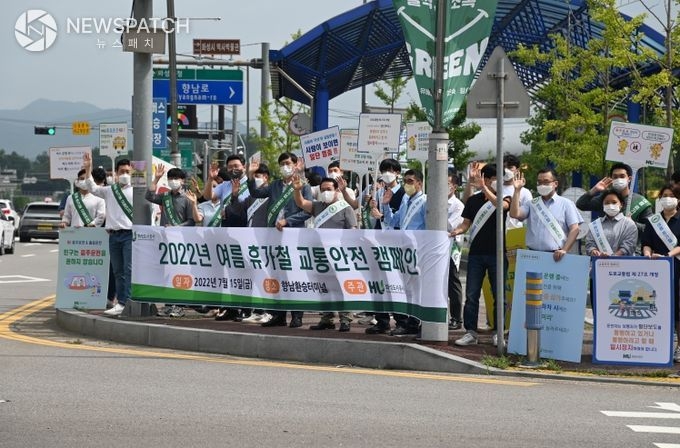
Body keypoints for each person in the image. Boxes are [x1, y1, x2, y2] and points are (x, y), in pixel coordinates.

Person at [248, 152, 312, 328]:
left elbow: (307, 211)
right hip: (274, 236)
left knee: (294, 276)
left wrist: (288, 221)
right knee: (276, 275)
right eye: (282, 163)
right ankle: (278, 314)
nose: (285, 167)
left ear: (295, 164)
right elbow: (255, 192)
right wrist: (250, 175)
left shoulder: (303, 185)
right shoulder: (275, 185)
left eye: (288, 163)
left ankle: (297, 315)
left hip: (294, 235)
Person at [451, 164, 511, 346]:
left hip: (497, 254)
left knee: (498, 294)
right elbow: (466, 224)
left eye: (498, 179)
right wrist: (456, 231)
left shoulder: (505, 197)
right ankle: (470, 332)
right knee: (472, 294)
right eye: (492, 178)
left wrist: (485, 189)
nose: (496, 182)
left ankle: (498, 332)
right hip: (476, 254)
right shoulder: (473, 201)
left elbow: (502, 207)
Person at [292, 174, 357, 332]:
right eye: (322, 190)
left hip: (339, 255)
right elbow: (300, 202)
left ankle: (345, 319)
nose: (325, 192)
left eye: (329, 189)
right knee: (324, 287)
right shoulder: (318, 206)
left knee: (342, 288)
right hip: (321, 255)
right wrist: (297, 190)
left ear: (336, 191)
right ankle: (326, 318)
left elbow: (353, 231)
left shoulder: (345, 208)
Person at [376, 169, 427, 336]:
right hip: (403, 250)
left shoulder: (425, 201)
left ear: (419, 183)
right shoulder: (405, 200)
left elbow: (429, 228)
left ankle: (416, 324)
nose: (407, 184)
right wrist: (385, 204)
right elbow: (392, 221)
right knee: (406, 289)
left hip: (417, 250)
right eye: (405, 180)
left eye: (411, 181)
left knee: (417, 288)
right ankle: (408, 324)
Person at [83, 153, 133, 317]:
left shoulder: (137, 191)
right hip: (113, 235)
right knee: (117, 271)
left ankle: (129, 302)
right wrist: (89, 166)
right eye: (122, 171)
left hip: (129, 235)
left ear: (131, 172)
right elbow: (92, 187)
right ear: (116, 173)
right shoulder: (111, 190)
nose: (124, 174)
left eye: (127, 171)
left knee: (128, 270)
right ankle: (121, 303)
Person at [225, 163, 273, 324]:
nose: (256, 179)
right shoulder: (251, 197)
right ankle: (255, 310)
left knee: (264, 275)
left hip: (266, 241)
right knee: (253, 276)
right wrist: (234, 196)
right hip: (250, 241)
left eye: (259, 176)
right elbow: (237, 211)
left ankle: (266, 310)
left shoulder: (272, 195)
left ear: (266, 178)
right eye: (254, 176)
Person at [146, 166, 196, 318]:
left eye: (176, 178)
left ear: (182, 181)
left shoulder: (187, 198)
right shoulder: (165, 196)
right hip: (165, 241)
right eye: (170, 178)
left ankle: (179, 306)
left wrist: (176, 227)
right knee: (166, 273)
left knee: (179, 274)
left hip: (181, 242)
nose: (173, 181)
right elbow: (149, 196)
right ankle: (169, 305)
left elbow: (192, 221)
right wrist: (156, 178)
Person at [641, 185, 680, 362]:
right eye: (664, 196)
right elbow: (646, 242)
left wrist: (667, 256)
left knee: (677, 309)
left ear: (678, 199)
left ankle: (679, 347)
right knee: (657, 307)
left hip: (676, 267)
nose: (667, 199)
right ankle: (656, 347)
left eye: (671, 196)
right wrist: (647, 254)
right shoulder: (653, 221)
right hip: (656, 270)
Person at [510, 168, 583, 262]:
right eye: (539, 182)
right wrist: (517, 191)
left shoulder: (566, 204)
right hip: (533, 255)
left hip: (556, 256)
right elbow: (514, 214)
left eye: (546, 182)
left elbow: (575, 229)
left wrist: (564, 250)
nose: (542, 185)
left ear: (555, 184)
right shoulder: (532, 204)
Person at [576, 162, 652, 240]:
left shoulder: (640, 201)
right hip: (606, 246)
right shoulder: (605, 198)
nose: (618, 179)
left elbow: (649, 229)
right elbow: (581, 204)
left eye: (622, 176)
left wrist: (634, 224)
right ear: (611, 179)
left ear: (629, 179)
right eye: (615, 177)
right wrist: (595, 189)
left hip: (630, 248)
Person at [584, 190, 638, 257]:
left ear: (621, 204)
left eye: (614, 202)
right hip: (599, 264)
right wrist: (595, 252)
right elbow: (590, 244)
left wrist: (613, 257)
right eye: (607, 203)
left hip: (624, 264)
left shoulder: (629, 224)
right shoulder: (595, 224)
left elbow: (629, 245)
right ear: (603, 205)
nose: (610, 205)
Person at [203, 155, 250, 228]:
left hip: (245, 226)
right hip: (226, 226)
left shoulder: (252, 185)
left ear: (244, 167)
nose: (233, 169)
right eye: (230, 167)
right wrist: (210, 179)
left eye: (236, 166)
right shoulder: (224, 185)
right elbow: (208, 197)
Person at [447, 168, 465, 330]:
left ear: (454, 186)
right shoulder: (431, 201)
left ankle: (456, 318)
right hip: (435, 247)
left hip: (451, 248)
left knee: (452, 282)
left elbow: (450, 226)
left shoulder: (458, 205)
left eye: (447, 184)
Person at [501, 154, 532, 229]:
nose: (506, 170)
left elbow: (529, 215)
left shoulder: (525, 192)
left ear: (517, 170)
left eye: (510, 167)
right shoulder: (494, 188)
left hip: (515, 233)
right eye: (504, 167)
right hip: (496, 232)